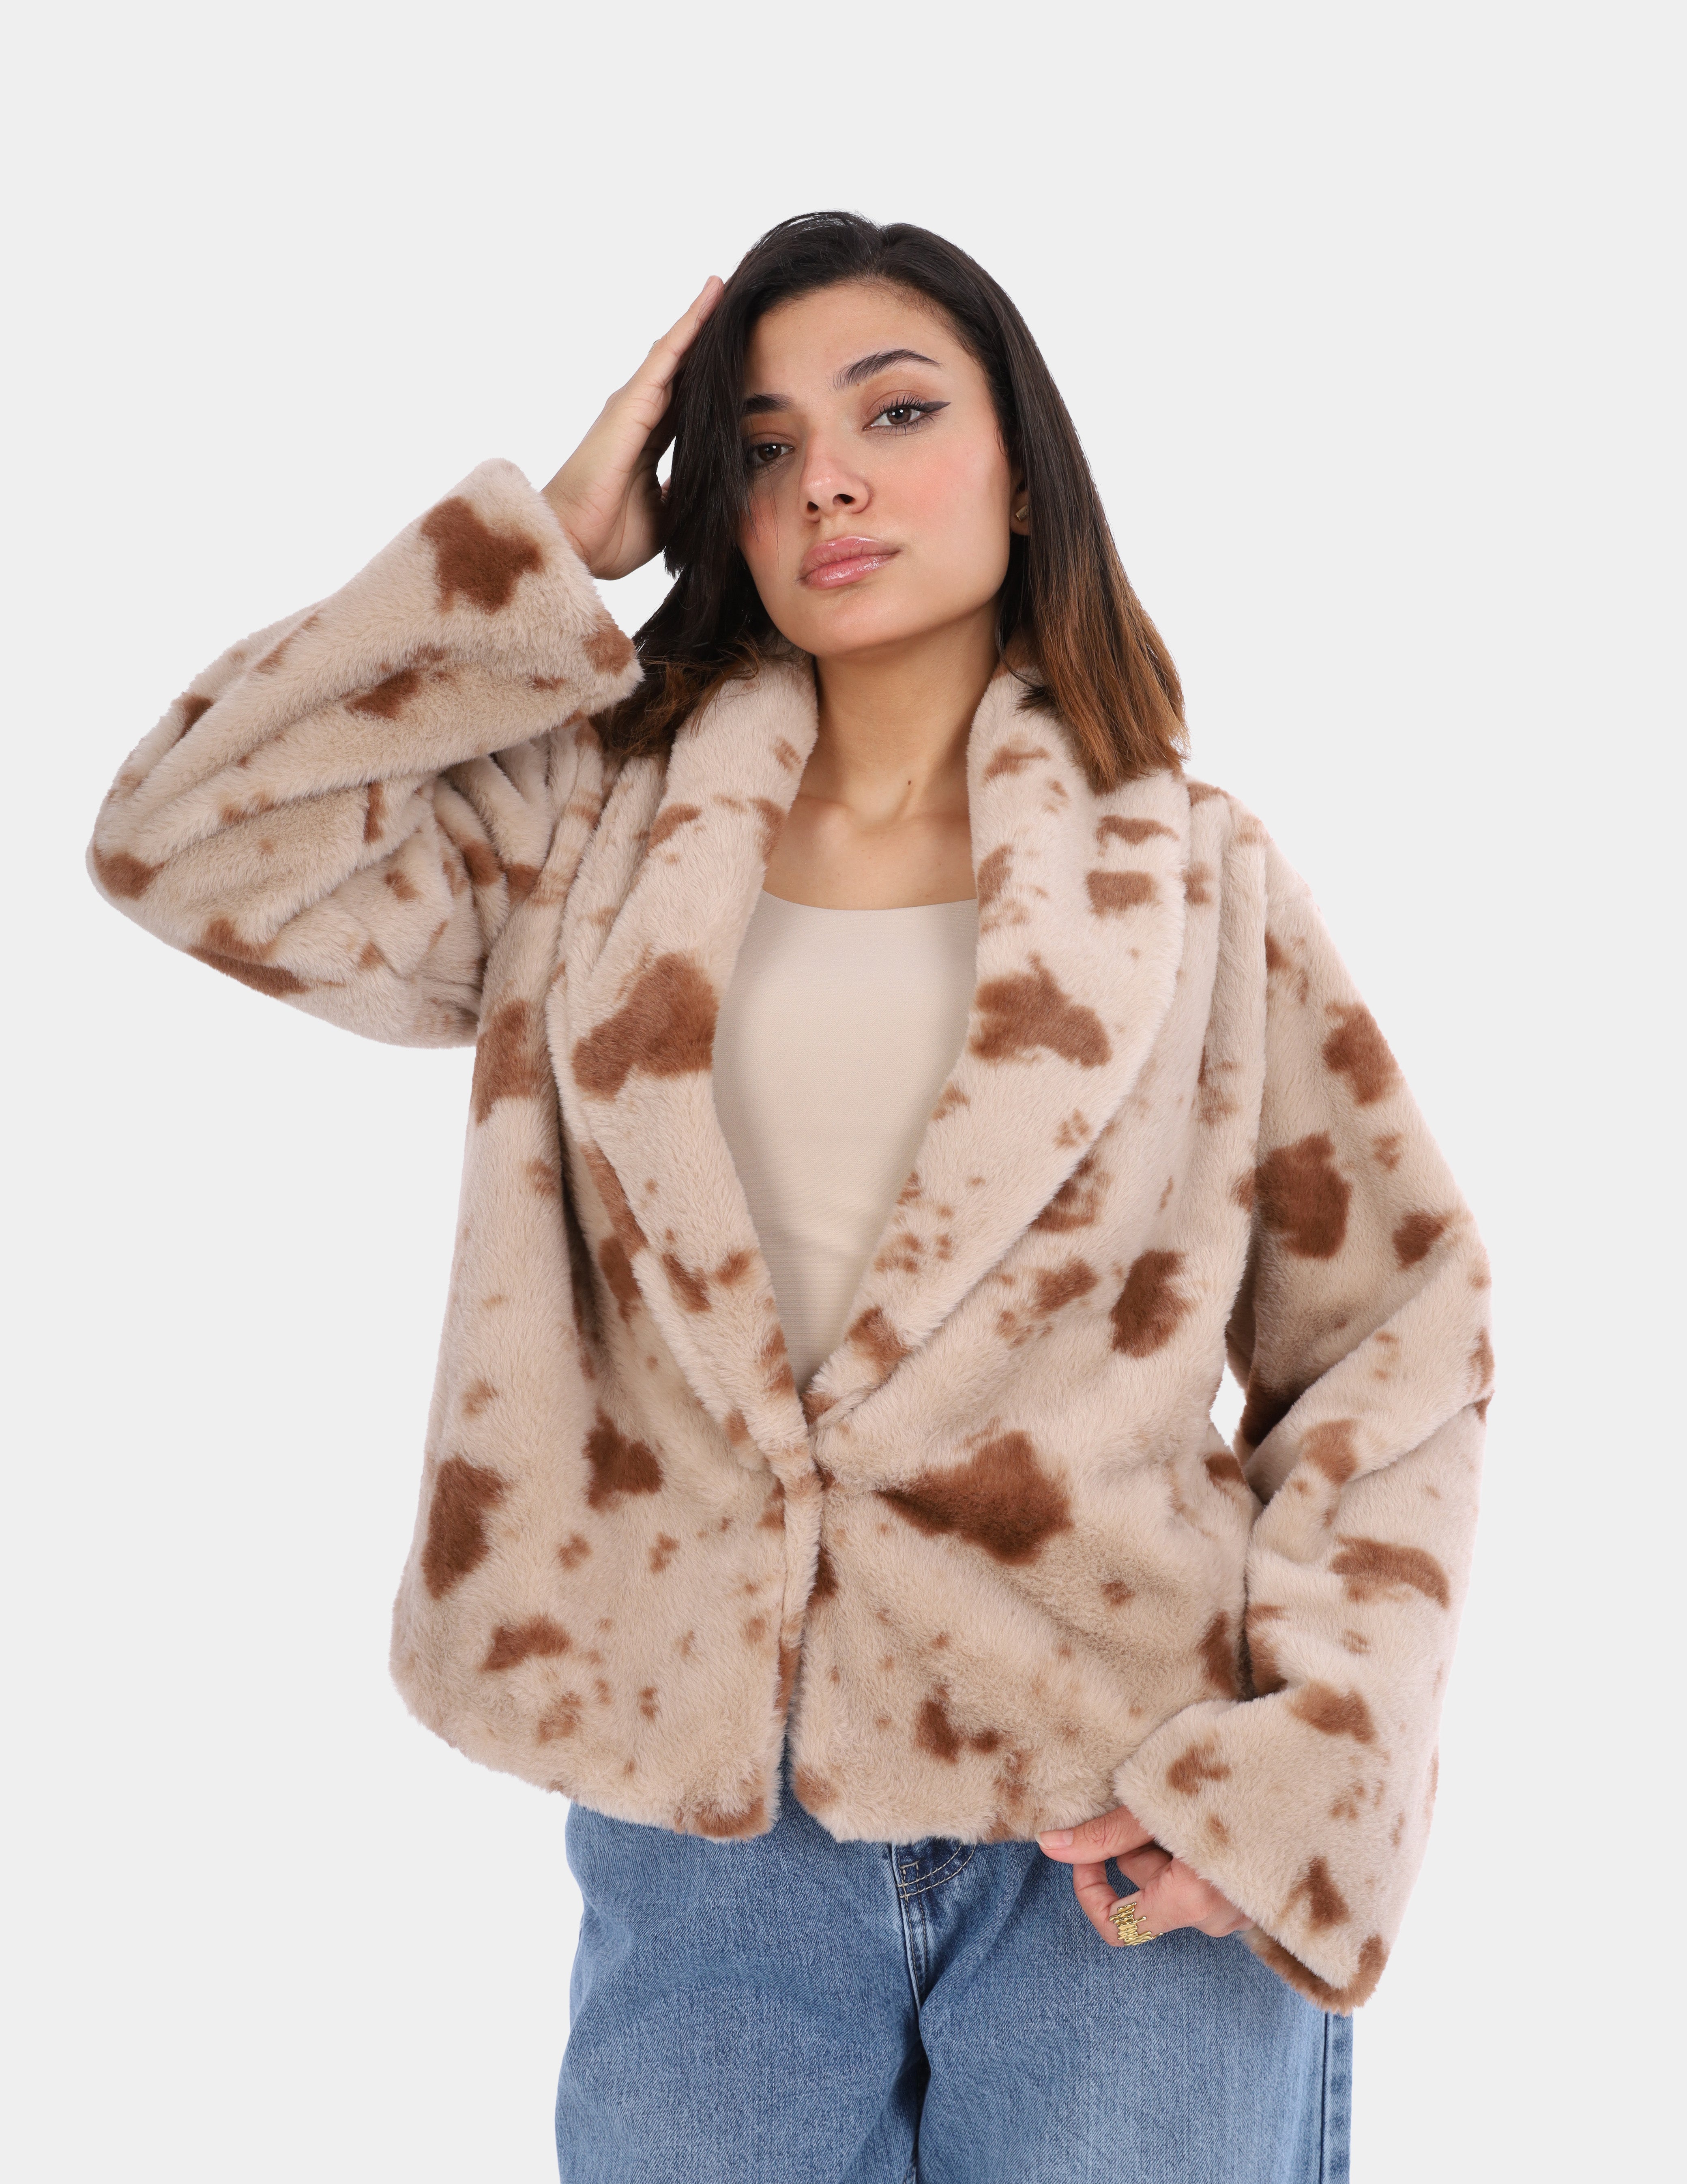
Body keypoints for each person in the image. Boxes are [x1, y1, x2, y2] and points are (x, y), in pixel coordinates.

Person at [88, 211, 1491, 2183]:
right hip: (708, 1839)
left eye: (893, 412)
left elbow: (1395, 1329)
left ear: (1024, 470)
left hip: (1111, 1823)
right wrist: (538, 545)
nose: (823, 476)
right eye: (757, 448)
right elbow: (182, 840)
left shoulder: (1194, 883)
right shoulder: (588, 844)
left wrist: (1300, 1773)